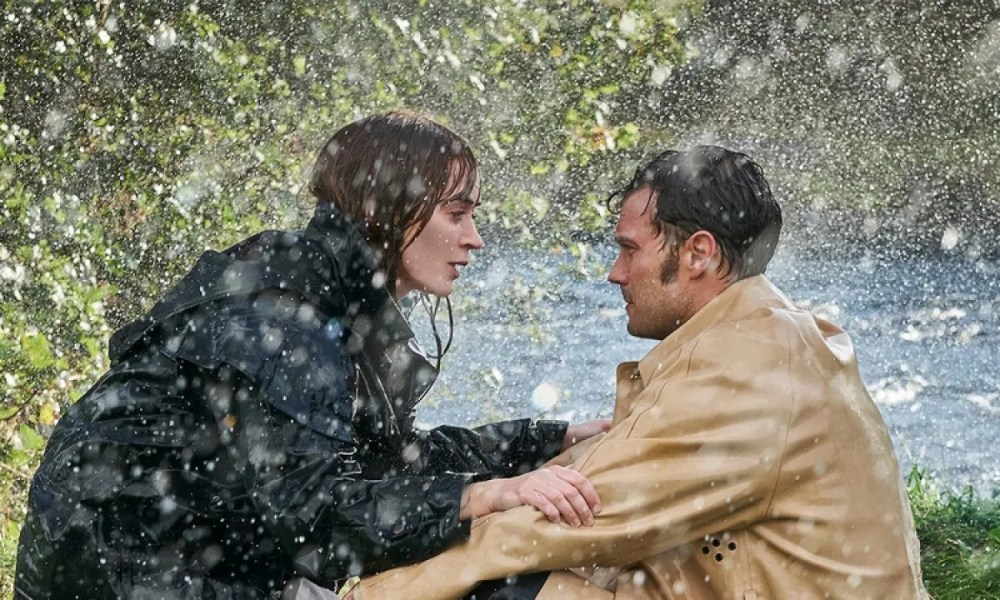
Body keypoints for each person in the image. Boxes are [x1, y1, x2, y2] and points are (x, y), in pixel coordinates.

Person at [14, 111, 610, 600]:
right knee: (500, 587)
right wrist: (478, 495)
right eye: (457, 213)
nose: (474, 238)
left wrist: (544, 441)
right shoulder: (287, 317)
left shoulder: (325, 291)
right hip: (124, 579)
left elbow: (386, 458)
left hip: (179, 569)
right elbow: (319, 523)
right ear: (384, 207)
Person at [348, 145, 928, 599]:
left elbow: (565, 519)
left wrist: (371, 588)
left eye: (630, 250)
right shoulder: (763, 338)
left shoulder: (749, 370)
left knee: (487, 586)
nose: (614, 274)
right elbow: (590, 479)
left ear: (698, 254)